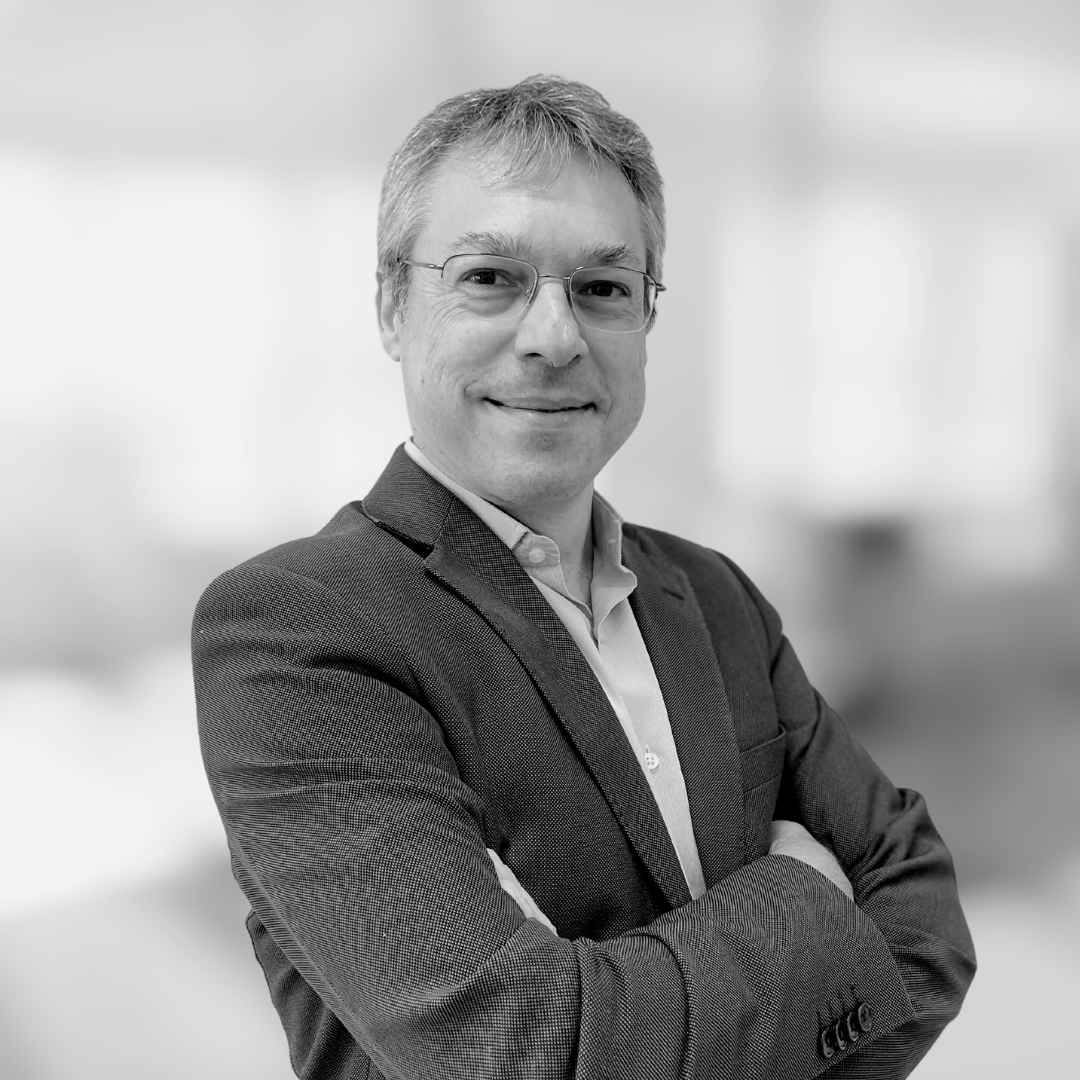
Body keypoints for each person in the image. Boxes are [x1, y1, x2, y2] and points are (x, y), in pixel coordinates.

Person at [193, 75, 975, 1080]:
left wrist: (617, 1004)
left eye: (603, 288)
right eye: (490, 278)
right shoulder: (297, 630)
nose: (554, 337)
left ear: (645, 318)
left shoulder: (717, 598)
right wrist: (802, 894)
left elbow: (927, 932)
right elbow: (524, 1051)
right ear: (392, 307)